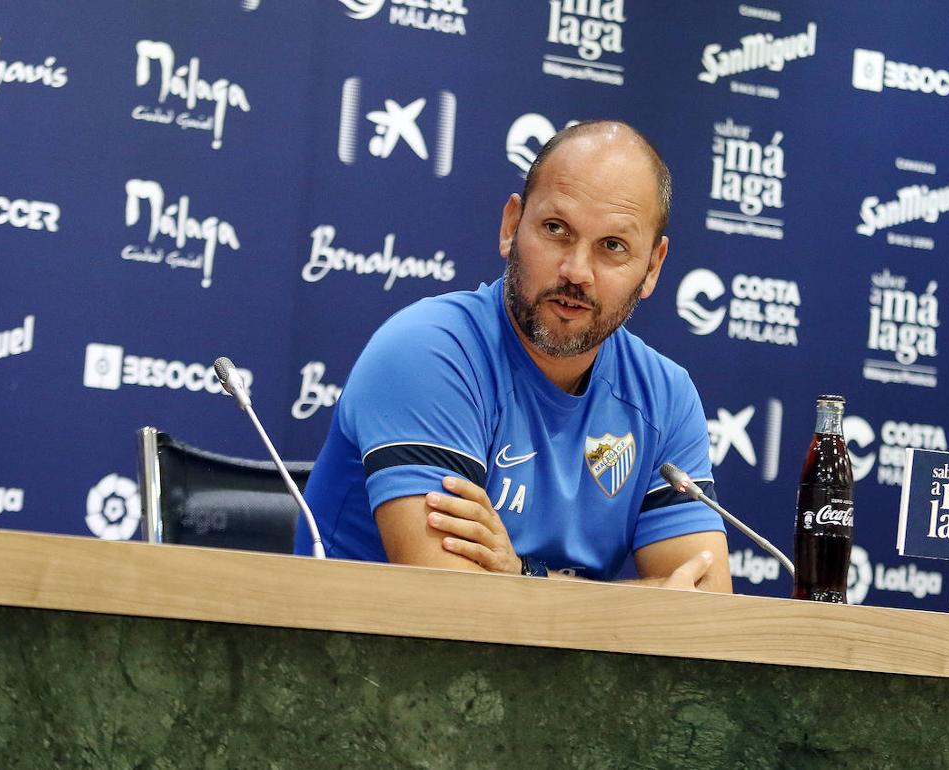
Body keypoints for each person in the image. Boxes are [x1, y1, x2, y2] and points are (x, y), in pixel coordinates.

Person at [297, 120, 731, 592]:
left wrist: (523, 577)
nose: (577, 271)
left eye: (613, 247)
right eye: (555, 229)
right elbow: (452, 602)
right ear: (511, 226)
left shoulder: (663, 398)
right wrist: (633, 603)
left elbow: (703, 602)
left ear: (652, 268)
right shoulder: (431, 352)